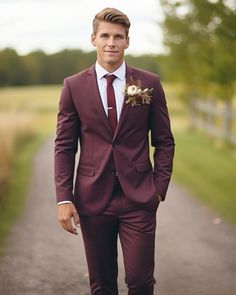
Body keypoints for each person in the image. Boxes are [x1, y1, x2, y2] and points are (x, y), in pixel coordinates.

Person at [54, 7, 175, 295]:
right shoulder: (73, 86)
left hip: (140, 198)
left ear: (127, 42)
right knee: (102, 286)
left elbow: (164, 141)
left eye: (118, 37)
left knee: (141, 282)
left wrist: (158, 188)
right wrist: (63, 198)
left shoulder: (149, 84)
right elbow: (64, 146)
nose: (111, 42)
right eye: (105, 36)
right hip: (93, 198)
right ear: (93, 39)